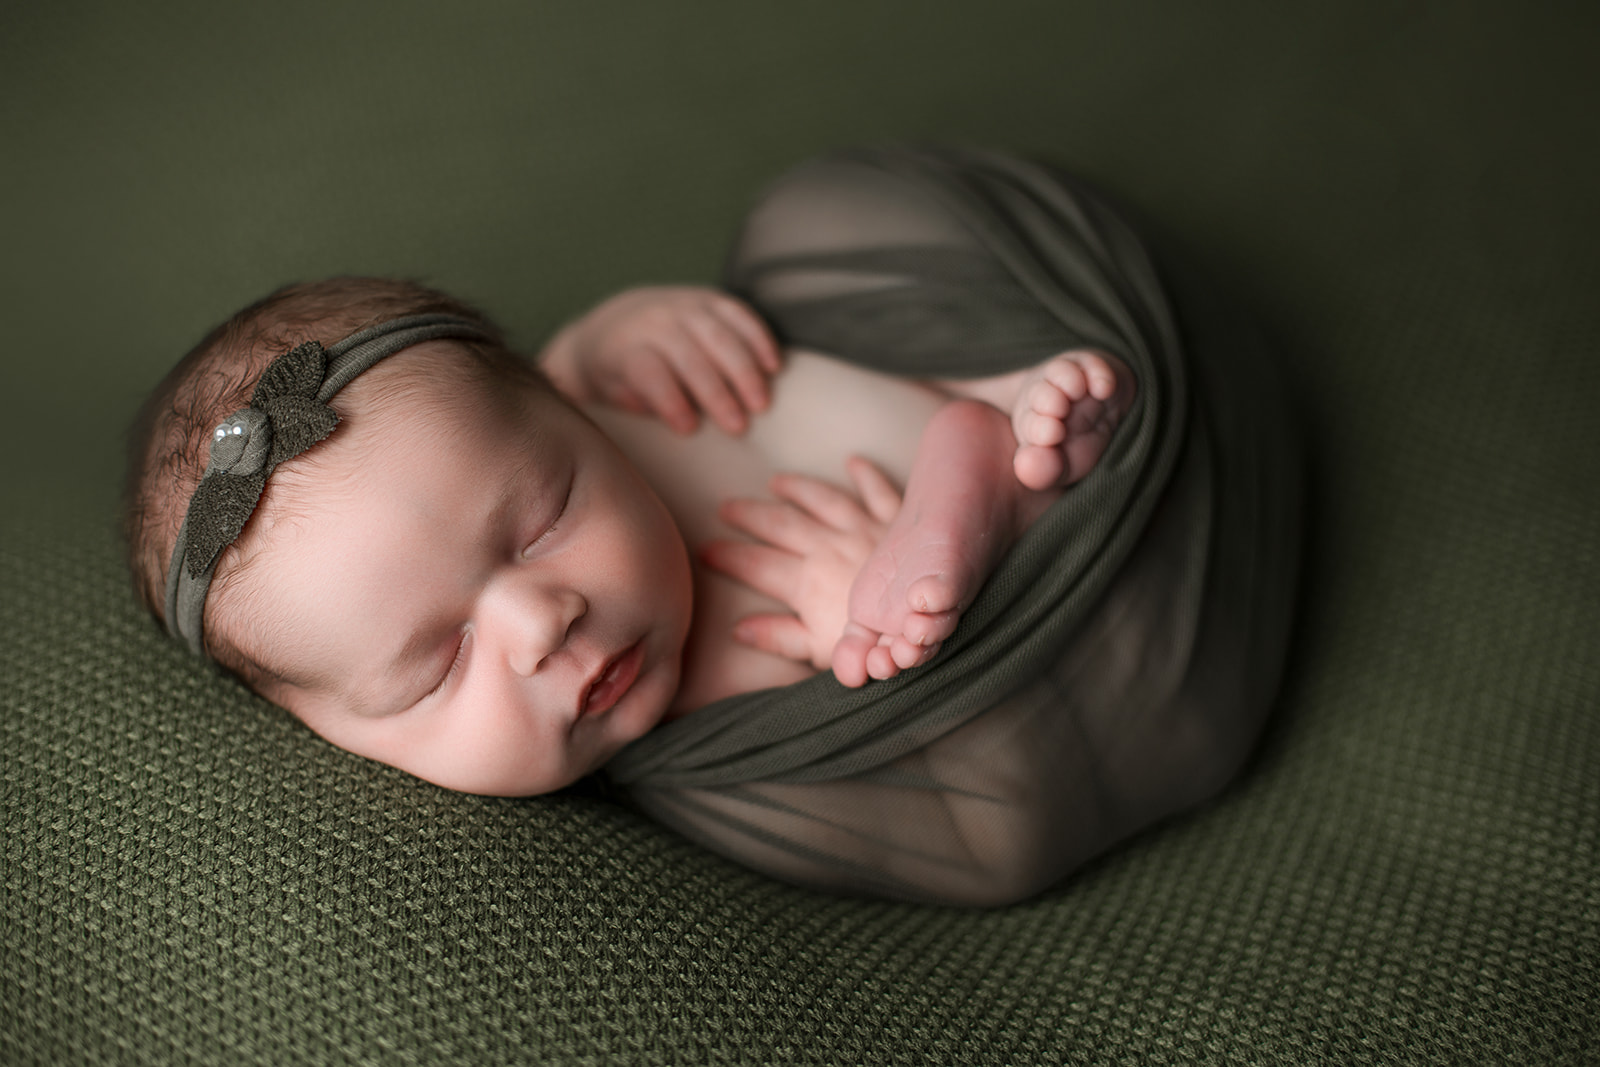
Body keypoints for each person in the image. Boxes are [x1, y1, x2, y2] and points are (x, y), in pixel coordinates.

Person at [121, 273, 1135, 799]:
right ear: (333, 733)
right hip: (932, 545)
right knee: (922, 616)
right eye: (436, 665)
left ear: (563, 407)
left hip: (864, 411)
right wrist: (848, 640)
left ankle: (993, 404)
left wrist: (614, 332)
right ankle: (994, 469)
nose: (541, 621)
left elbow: (554, 375)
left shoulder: (579, 395)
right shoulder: (703, 702)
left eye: (542, 518)